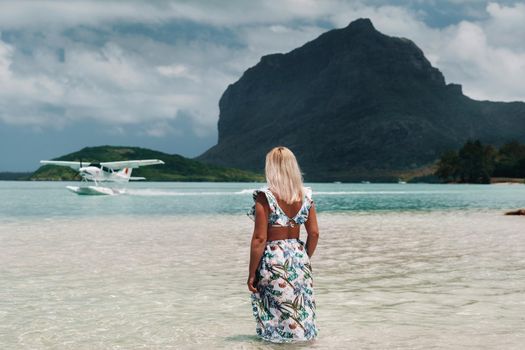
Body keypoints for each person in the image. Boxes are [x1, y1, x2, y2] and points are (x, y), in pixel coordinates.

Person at [247, 146, 319, 342]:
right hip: (298, 256)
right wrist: (304, 257)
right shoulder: (305, 195)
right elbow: (313, 233)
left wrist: (252, 272)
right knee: (300, 310)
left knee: (275, 313)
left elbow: (260, 238)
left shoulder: (265, 196)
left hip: (274, 258)